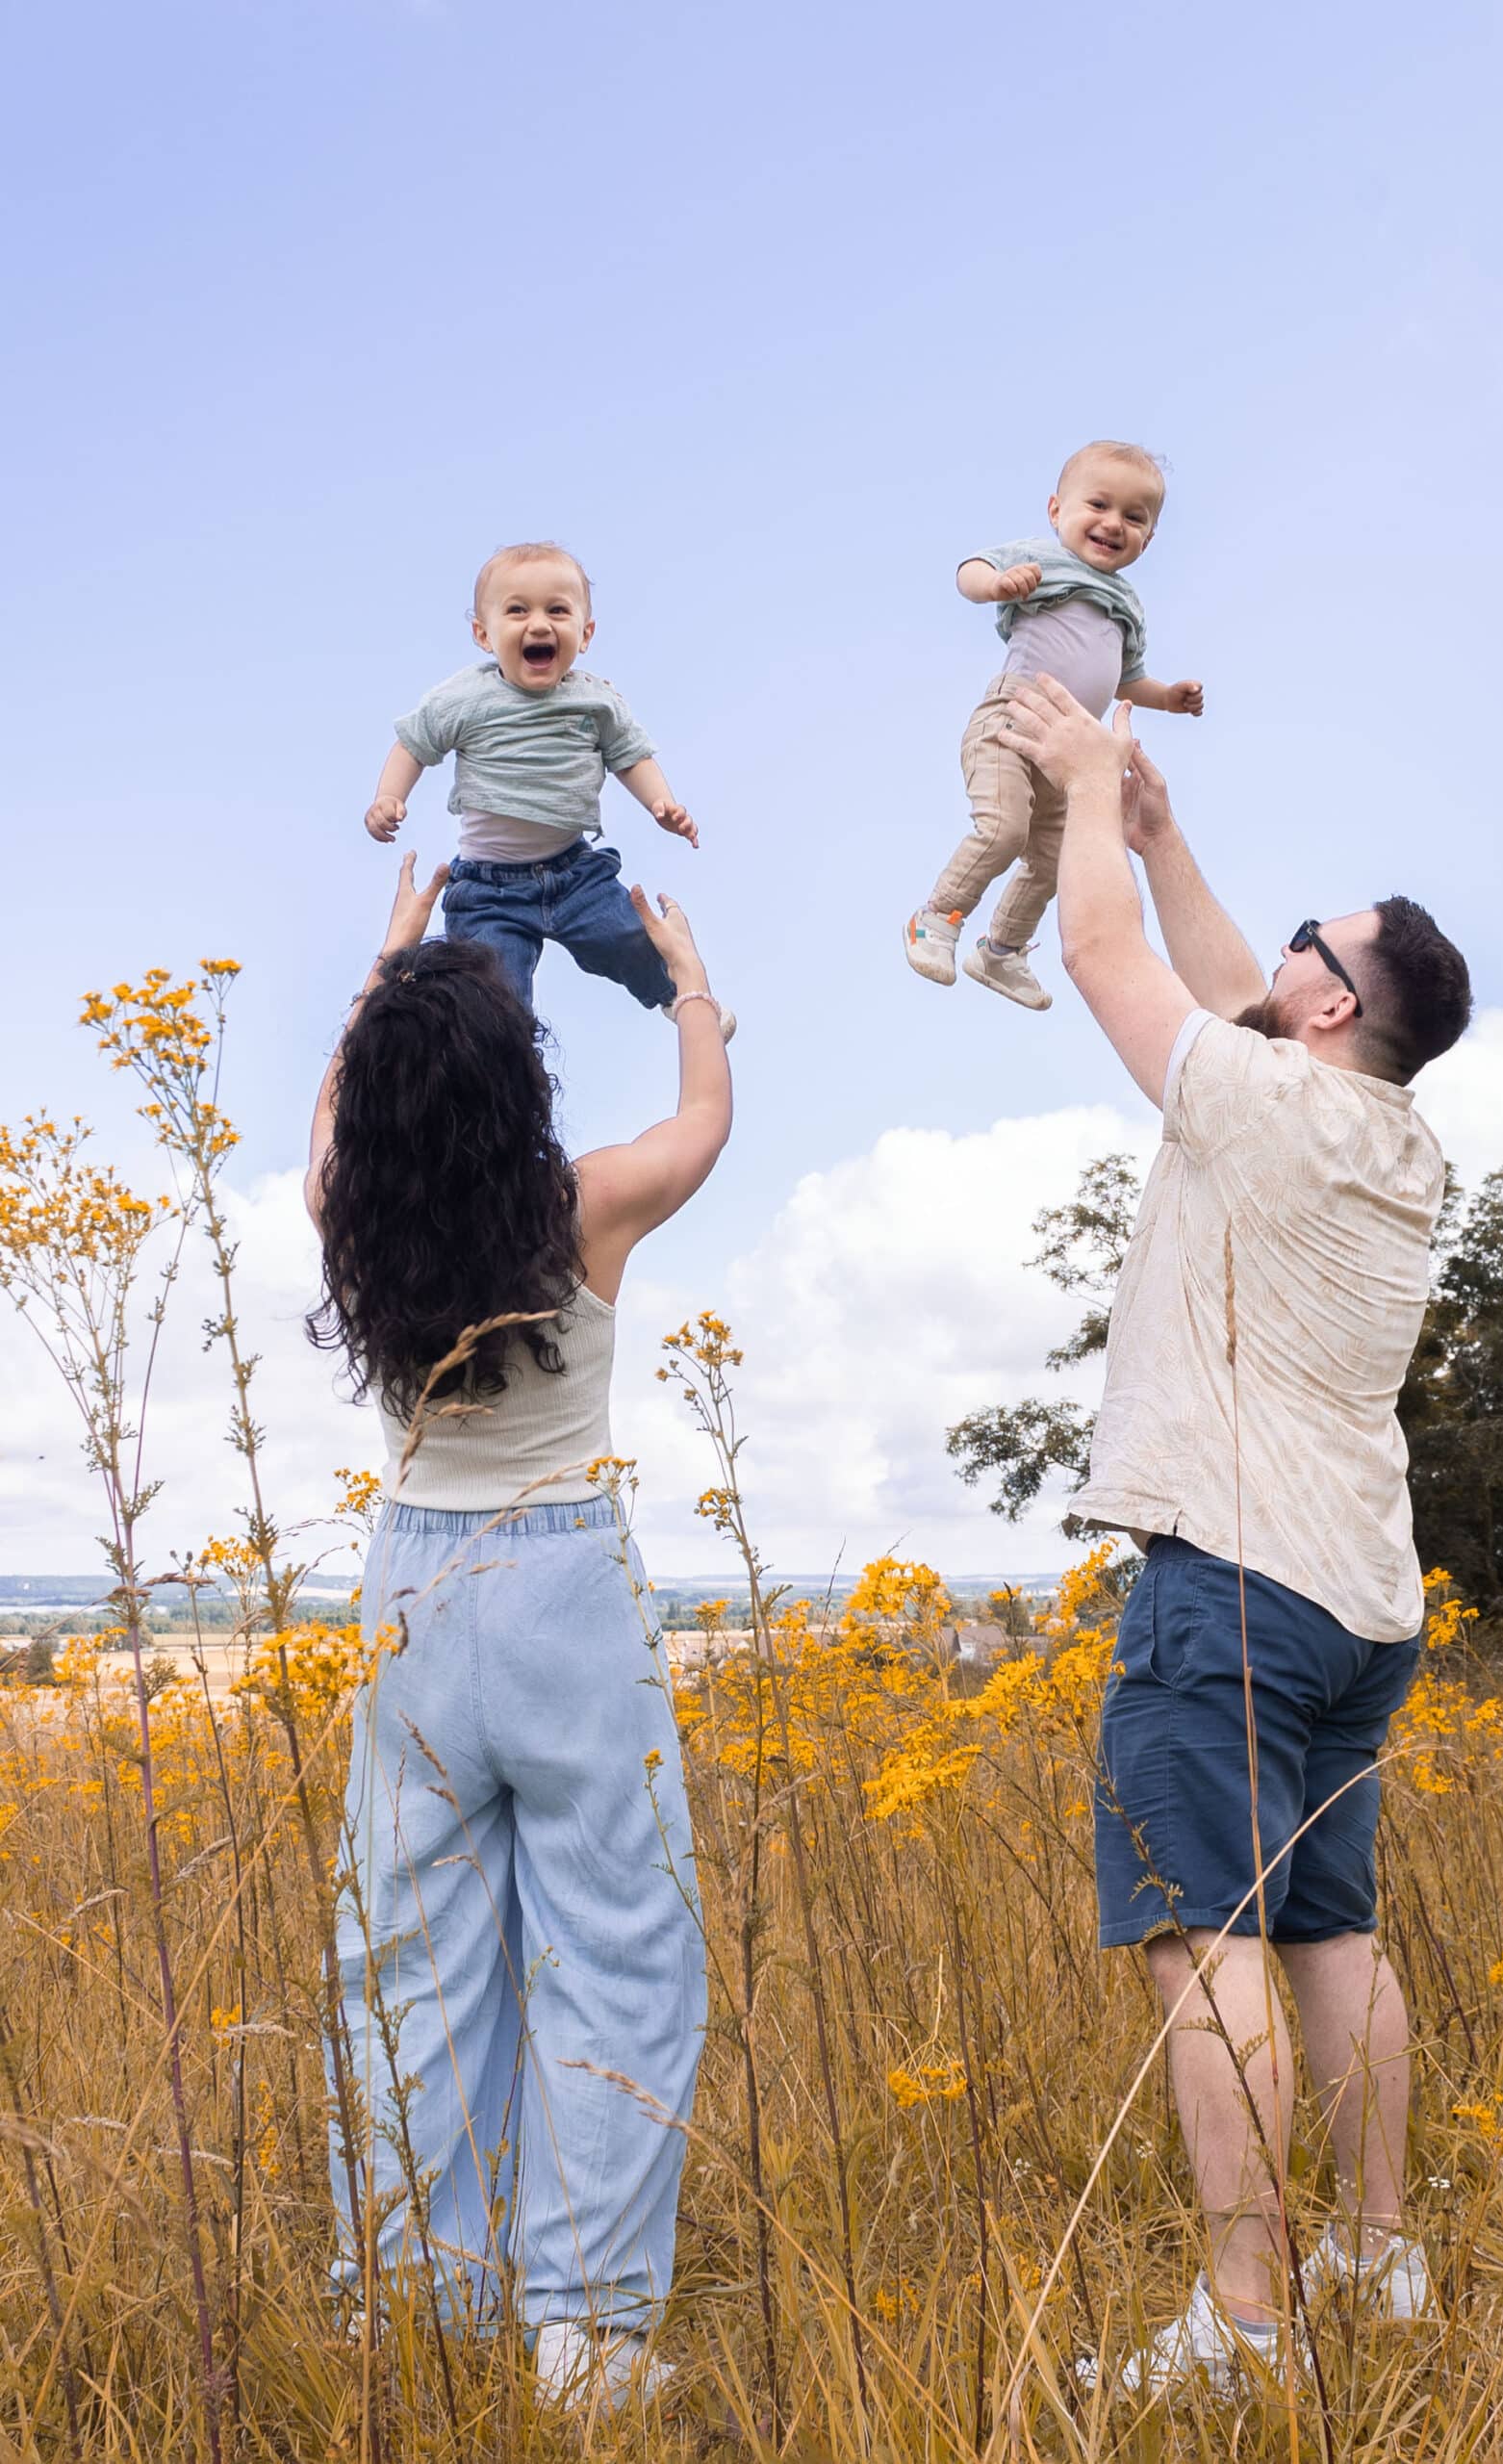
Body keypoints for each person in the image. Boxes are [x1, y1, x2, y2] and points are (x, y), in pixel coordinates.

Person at [998, 674, 1472, 2400]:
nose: (1268, 960)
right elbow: (1220, 988)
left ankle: (1245, 2327)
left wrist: (1081, 782)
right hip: (1359, 1599)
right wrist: (1170, 834)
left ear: (1331, 1002)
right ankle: (1376, 2255)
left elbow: (1113, 970)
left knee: (1213, 1940)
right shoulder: (1388, 1134)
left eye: (1298, 946)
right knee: (1334, 1935)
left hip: (1240, 1588)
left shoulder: (1268, 1106)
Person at [304, 850, 732, 2409]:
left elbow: (348, 1116)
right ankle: (587, 2338)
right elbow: (703, 1124)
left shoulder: (345, 1209)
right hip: (564, 1590)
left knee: (407, 1963)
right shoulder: (586, 1204)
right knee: (618, 1953)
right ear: (515, 1083)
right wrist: (687, 983)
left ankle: (415, 2307)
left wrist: (386, 959)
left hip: (412, 1597)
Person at [364, 540, 733, 1036]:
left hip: (576, 873)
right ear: (482, 633)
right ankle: (502, 1071)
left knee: (630, 936)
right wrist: (390, 796)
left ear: (585, 634)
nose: (538, 624)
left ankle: (677, 995)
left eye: (557, 610)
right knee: (493, 995)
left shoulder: (594, 701)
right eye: (517, 611)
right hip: (488, 890)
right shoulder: (464, 698)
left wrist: (661, 803)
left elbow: (630, 755)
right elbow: (413, 744)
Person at [904, 441, 1203, 1013]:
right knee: (1003, 829)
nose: (1113, 523)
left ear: (1150, 537)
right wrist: (995, 586)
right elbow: (971, 569)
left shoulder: (1128, 605)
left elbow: (1125, 678)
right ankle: (936, 918)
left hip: (1067, 748)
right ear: (1056, 510)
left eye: (1134, 517)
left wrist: (1166, 697)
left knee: (1057, 856)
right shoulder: (1044, 559)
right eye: (1098, 504)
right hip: (1012, 720)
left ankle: (1002, 951)